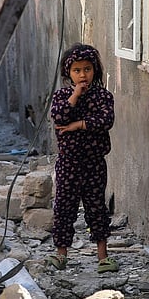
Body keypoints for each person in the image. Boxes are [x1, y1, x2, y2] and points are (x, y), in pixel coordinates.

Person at [46, 43, 118, 274]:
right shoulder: (62, 96)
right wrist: (75, 95)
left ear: (95, 70)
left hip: (94, 163)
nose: (82, 75)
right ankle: (61, 254)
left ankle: (103, 256)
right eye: (77, 70)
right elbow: (59, 117)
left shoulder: (102, 96)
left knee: (96, 207)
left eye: (87, 69)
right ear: (68, 72)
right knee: (64, 207)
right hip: (68, 163)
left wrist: (78, 124)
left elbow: (105, 121)